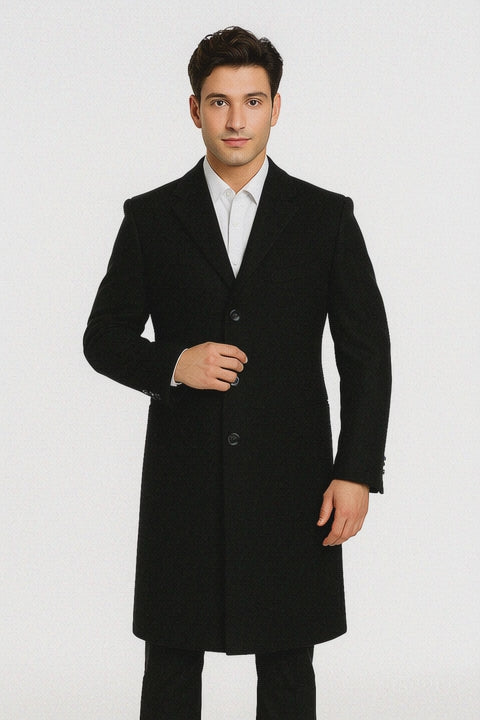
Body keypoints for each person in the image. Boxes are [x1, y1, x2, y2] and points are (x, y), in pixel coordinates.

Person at [83, 26, 391, 720]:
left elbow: (367, 355)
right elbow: (102, 338)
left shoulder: (326, 218)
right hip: (184, 481)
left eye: (252, 101)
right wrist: (174, 362)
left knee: (288, 665)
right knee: (170, 662)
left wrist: (355, 470)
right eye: (219, 102)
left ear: (276, 107)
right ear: (195, 109)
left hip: (293, 480)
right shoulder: (151, 217)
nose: (236, 120)